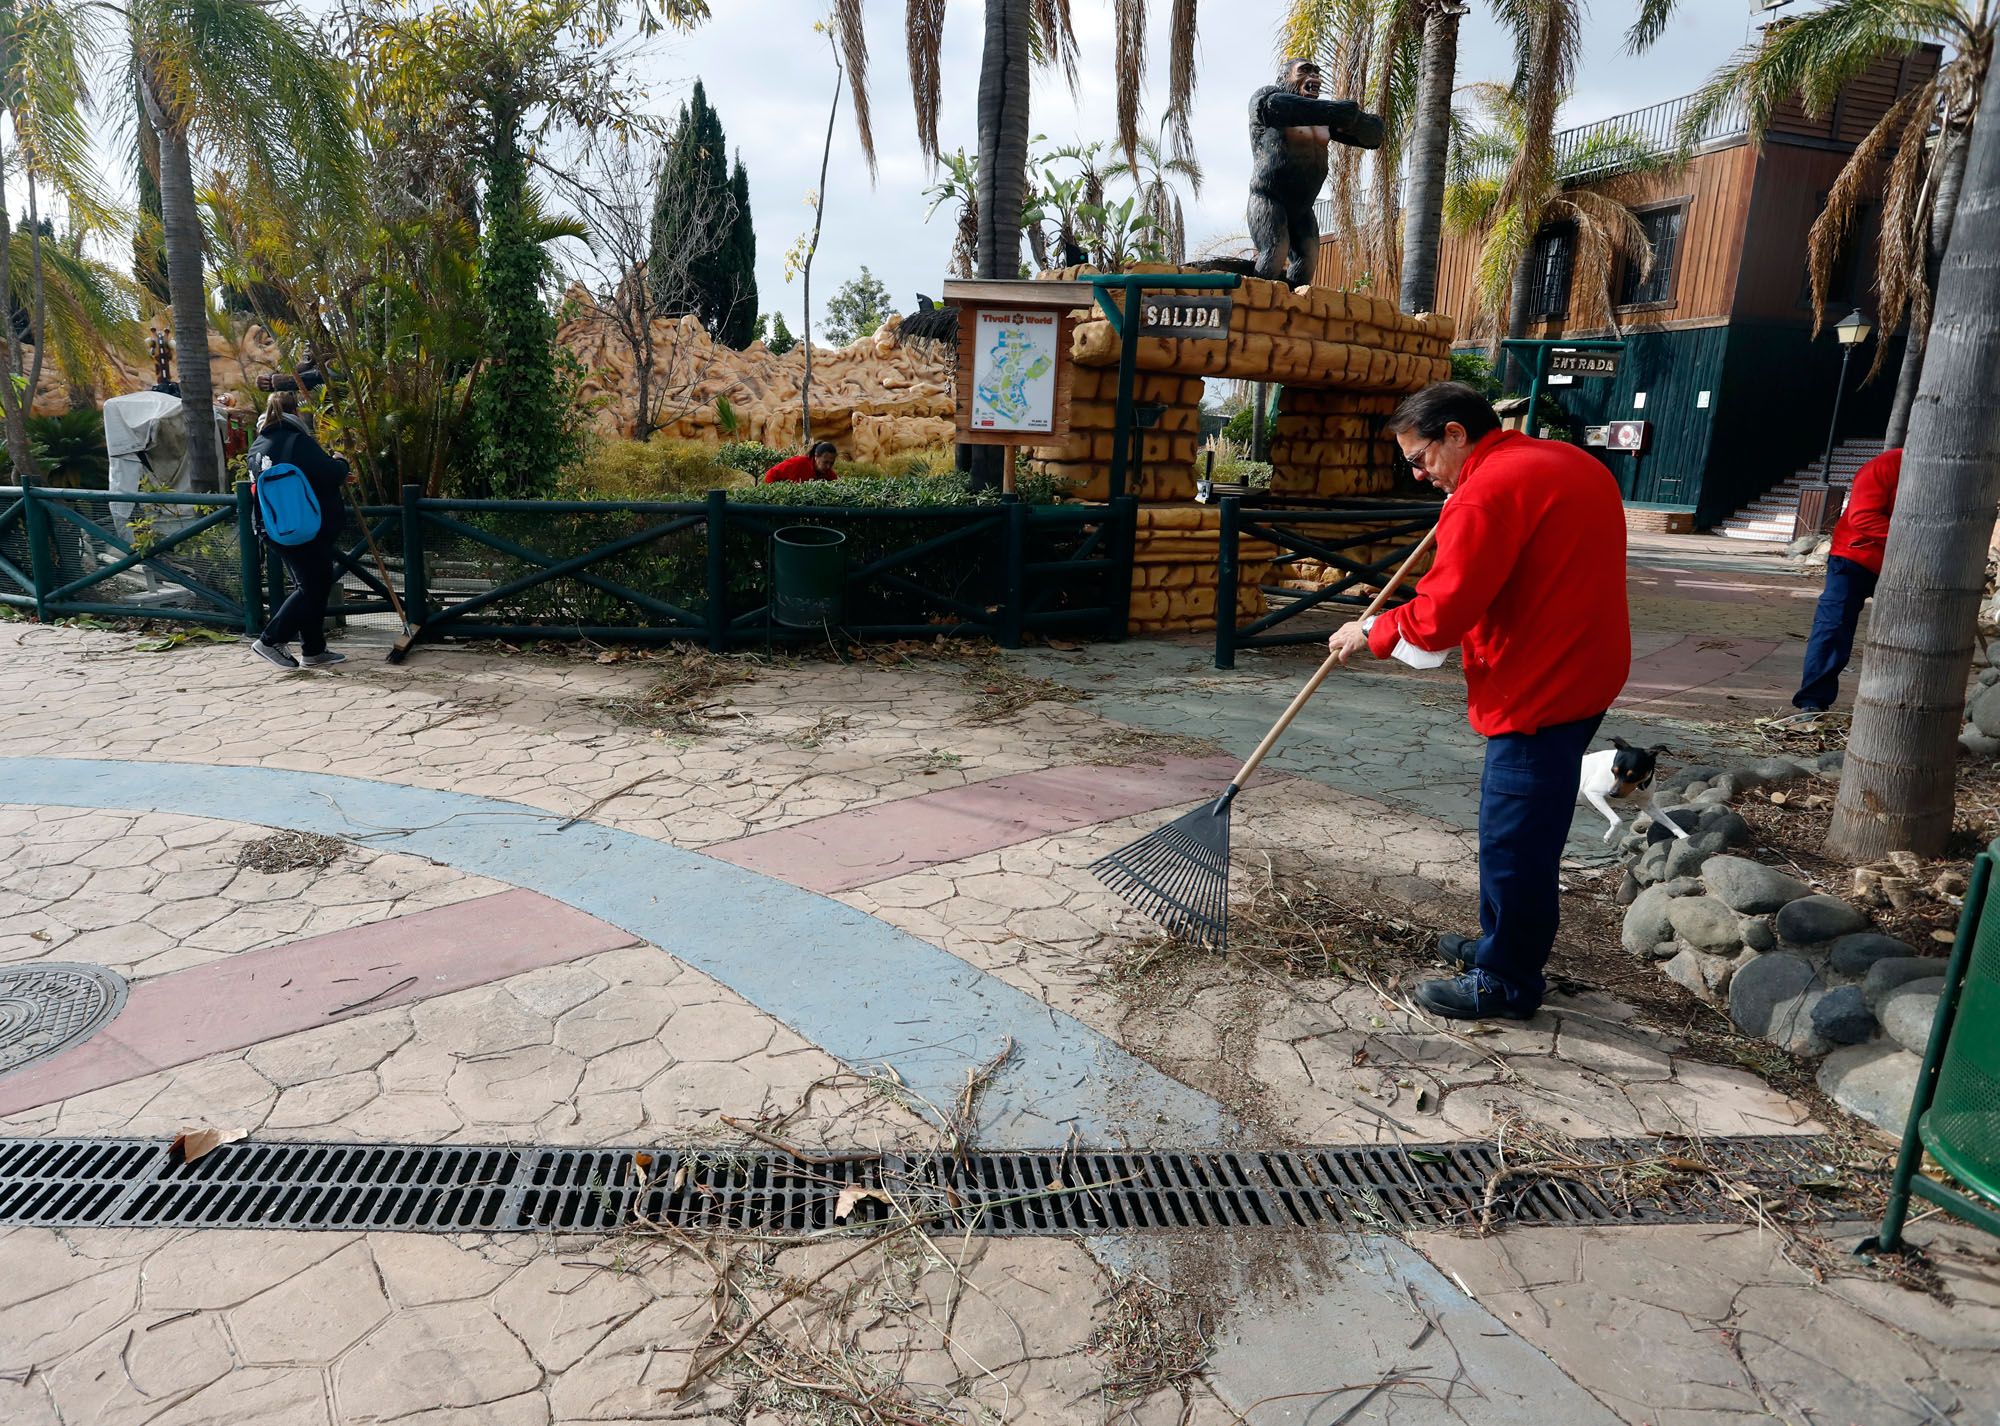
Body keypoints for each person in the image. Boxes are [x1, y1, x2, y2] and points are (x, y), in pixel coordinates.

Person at [1326, 383, 1631, 1021]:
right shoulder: (1566, 462)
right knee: (1524, 830)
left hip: (1539, 686)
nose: (1418, 474)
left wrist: (1371, 630)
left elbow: (1440, 616)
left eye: (1421, 458)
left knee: (1515, 841)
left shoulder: (1487, 493)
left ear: (1458, 434)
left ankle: (1507, 980)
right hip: (1587, 668)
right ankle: (1500, 944)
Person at [1790, 447, 1902, 717]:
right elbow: (1863, 517)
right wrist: (1914, 538)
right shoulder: (1884, 466)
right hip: (1854, 557)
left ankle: (1894, 703)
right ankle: (1813, 701)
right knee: (1833, 628)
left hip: (1903, 565)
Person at [248, 391, 351, 672]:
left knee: (312, 586)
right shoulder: (297, 442)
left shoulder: (259, 444)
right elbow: (329, 474)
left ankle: (314, 650)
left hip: (272, 527)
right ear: (295, 411)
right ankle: (270, 640)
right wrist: (341, 461)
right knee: (313, 586)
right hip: (306, 528)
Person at [763, 441, 839, 484]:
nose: (828, 466)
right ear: (816, 457)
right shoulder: (797, 463)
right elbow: (771, 474)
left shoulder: (830, 475)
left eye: (831, 463)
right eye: (825, 462)